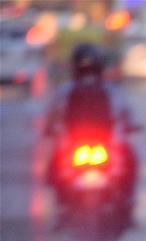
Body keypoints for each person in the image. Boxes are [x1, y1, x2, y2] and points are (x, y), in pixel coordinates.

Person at [44, 43, 139, 205]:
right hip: (85, 143)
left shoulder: (67, 89)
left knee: (128, 160)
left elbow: (52, 116)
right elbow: (127, 113)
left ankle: (126, 200)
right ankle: (127, 200)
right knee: (56, 167)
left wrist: (49, 129)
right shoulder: (110, 89)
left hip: (97, 143)